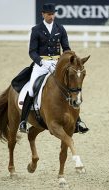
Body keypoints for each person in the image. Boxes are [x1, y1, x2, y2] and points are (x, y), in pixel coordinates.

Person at [18, 3, 89, 134]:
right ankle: (23, 121)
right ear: (43, 14)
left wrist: (70, 59)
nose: (51, 17)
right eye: (49, 14)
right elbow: (32, 51)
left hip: (57, 64)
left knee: (69, 87)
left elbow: (66, 48)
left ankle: (77, 121)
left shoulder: (60, 28)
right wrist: (41, 61)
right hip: (41, 65)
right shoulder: (36, 30)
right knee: (32, 88)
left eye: (53, 14)